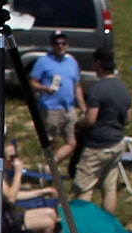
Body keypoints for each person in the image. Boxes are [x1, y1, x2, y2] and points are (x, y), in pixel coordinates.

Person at [74, 46, 132, 216]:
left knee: (84, 187)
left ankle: (82, 226)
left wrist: (80, 123)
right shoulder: (124, 89)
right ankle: (108, 222)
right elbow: (128, 118)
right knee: (109, 188)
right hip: (116, 143)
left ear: (98, 63)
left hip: (97, 146)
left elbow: (91, 119)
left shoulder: (97, 89)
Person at [28, 32, 84, 169]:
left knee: (72, 142)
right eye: (57, 43)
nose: (60, 46)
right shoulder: (43, 61)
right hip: (51, 108)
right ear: (52, 45)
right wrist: (45, 89)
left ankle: (49, 167)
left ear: (67, 45)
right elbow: (32, 82)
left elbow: (77, 87)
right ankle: (51, 169)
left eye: (63, 43)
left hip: (69, 109)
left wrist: (83, 107)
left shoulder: (72, 62)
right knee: (53, 142)